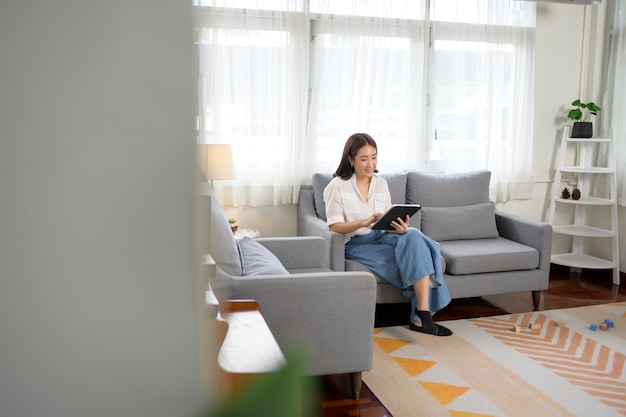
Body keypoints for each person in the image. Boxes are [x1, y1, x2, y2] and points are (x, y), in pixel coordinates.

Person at [323, 133, 452, 336]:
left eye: (373, 157)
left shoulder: (381, 184)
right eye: (364, 159)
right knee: (418, 257)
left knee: (412, 235)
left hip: (382, 235)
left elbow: (386, 220)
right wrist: (363, 222)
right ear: (351, 159)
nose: (370, 164)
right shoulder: (337, 186)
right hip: (355, 244)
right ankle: (419, 320)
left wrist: (397, 226)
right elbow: (334, 226)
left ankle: (423, 311)